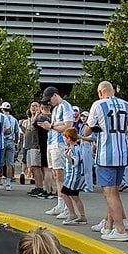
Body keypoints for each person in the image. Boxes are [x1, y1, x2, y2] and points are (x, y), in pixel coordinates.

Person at [81, 80, 128, 242]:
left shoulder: (98, 105)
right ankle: (109, 224)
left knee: (109, 193)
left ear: (100, 92)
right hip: (122, 153)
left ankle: (120, 229)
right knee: (114, 192)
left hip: (106, 154)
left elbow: (87, 129)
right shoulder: (126, 105)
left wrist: (99, 126)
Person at [41, 86, 74, 217]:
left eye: (50, 99)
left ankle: (66, 206)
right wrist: (49, 127)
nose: (49, 102)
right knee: (56, 175)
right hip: (52, 142)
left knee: (60, 175)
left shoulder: (65, 106)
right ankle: (61, 204)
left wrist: (52, 126)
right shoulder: (56, 109)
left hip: (60, 143)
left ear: (55, 95)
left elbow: (68, 125)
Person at [58, 127, 88, 225]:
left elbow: (75, 162)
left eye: (65, 138)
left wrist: (67, 156)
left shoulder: (74, 149)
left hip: (74, 175)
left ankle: (73, 214)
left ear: (69, 138)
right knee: (72, 195)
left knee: (69, 194)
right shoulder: (74, 148)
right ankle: (80, 215)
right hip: (71, 175)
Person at [0, 101, 19, 192]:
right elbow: (17, 132)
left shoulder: (1, 117)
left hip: (1, 142)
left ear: (1, 109)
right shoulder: (14, 119)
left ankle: (0, 181)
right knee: (10, 164)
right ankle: (8, 183)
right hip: (11, 142)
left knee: (0, 163)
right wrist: (15, 143)